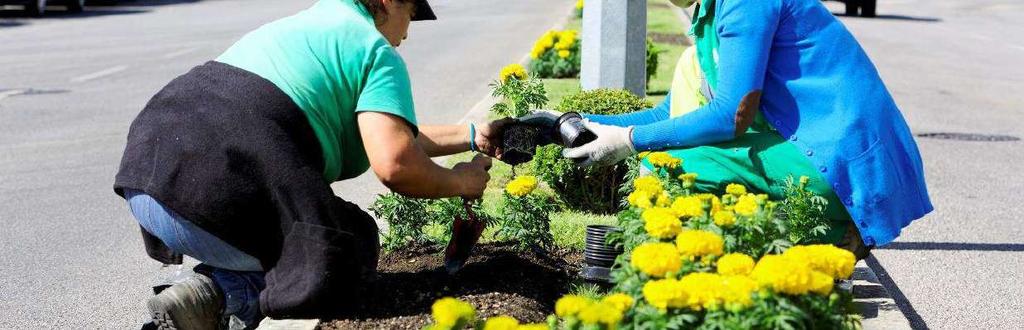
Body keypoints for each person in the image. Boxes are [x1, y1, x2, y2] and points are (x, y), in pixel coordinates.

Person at [113, 0, 508, 328]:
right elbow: (395, 164)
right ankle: (215, 295)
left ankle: (206, 298)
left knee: (285, 224)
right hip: (214, 203)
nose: (406, 34)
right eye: (410, 14)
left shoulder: (307, 26)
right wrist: (462, 182)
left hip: (148, 179)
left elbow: (391, 135)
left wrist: (473, 135)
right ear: (387, 2)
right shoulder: (375, 51)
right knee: (342, 244)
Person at [523, 0, 932, 257]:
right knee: (667, 154)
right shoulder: (713, 11)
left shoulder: (746, 3)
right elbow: (666, 114)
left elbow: (729, 117)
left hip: (838, 164)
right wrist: (573, 122)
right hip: (818, 151)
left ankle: (826, 234)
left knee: (670, 167)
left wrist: (628, 142)